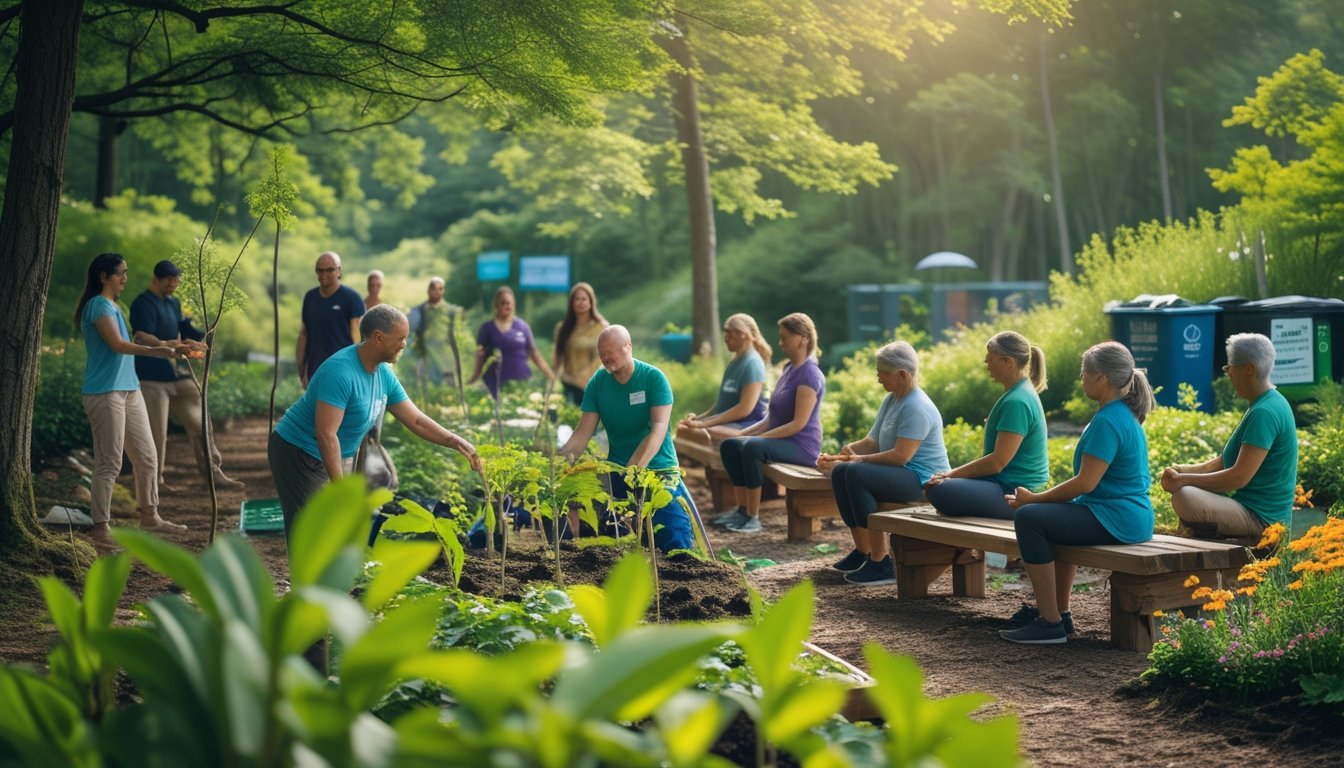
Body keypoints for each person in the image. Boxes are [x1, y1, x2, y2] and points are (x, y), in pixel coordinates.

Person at [269, 304, 481, 539]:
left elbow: (417, 420)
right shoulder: (340, 372)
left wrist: (456, 441)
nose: (404, 344)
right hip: (297, 451)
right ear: (379, 338)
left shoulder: (383, 374)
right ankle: (310, 576)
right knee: (313, 529)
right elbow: (326, 434)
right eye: (401, 338)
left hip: (327, 452)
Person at [1000, 341, 1154, 645]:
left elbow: (1085, 483)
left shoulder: (1109, 420)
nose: (1081, 378)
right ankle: (1061, 614)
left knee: (1030, 518)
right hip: (1124, 516)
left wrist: (1033, 500)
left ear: (1102, 379)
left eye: (1085, 373)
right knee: (1051, 519)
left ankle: (1050, 622)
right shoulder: (1120, 414)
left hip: (1117, 519)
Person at [75, 253, 189, 549]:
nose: (125, 277)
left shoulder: (114, 306)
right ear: (104, 276)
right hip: (104, 392)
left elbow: (134, 341)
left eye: (126, 272)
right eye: (120, 273)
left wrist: (171, 345)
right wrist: (158, 351)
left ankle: (150, 516)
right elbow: (118, 345)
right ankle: (101, 528)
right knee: (110, 462)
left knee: (147, 457)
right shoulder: (98, 306)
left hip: (130, 389)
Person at [819, 341, 950, 585]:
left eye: (883, 372)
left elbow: (902, 456)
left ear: (902, 374)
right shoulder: (892, 399)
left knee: (856, 473)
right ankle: (864, 551)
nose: (878, 377)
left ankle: (880, 563)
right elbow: (873, 440)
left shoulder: (917, 406)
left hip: (923, 480)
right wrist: (846, 453)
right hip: (900, 473)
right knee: (841, 473)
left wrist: (857, 460)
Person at [559, 325, 695, 552]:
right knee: (610, 531)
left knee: (673, 536)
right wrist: (560, 462)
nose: (605, 358)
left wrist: (633, 471)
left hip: (658, 469)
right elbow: (582, 433)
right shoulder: (598, 383)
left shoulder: (653, 379)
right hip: (617, 470)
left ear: (628, 347)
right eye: (601, 354)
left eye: (610, 352)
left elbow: (658, 430)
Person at [1161, 333, 1297, 539]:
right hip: (1247, 509)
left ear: (1249, 369)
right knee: (1186, 492)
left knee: (1185, 497)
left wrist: (1183, 481)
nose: (1229, 374)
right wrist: (1182, 471)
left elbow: (1238, 477)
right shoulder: (1264, 404)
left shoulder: (1265, 412)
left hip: (1263, 520)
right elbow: (1224, 463)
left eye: (1230, 368)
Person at [129, 259, 244, 491]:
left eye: (176, 279)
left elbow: (183, 327)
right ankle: (154, 482)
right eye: (169, 279)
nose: (174, 283)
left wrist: (204, 336)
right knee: (157, 433)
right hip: (151, 376)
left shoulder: (173, 303)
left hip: (178, 374)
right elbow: (141, 336)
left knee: (201, 423)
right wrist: (167, 343)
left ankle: (213, 473)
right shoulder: (143, 303)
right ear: (156, 279)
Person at [716, 312, 826, 533]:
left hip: (801, 446)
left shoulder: (810, 375)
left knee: (752, 447)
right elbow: (771, 418)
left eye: (785, 337)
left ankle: (752, 517)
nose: (780, 342)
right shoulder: (788, 369)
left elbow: (798, 425)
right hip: (782, 440)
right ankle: (741, 509)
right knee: (730, 444)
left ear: (802, 339)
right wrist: (742, 434)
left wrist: (756, 438)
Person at [925, 331, 1049, 520]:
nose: (986, 362)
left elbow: (997, 462)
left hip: (1015, 492)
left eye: (990, 358)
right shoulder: (1019, 393)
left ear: (1008, 362)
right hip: (1002, 484)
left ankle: (966, 550)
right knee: (939, 486)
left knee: (940, 490)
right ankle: (965, 551)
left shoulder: (1017, 401)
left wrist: (951, 474)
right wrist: (954, 476)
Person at [676, 312, 770, 448]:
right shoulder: (735, 362)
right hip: (726, 424)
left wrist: (704, 424)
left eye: (728, 333)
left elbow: (745, 409)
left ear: (742, 334)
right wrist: (699, 419)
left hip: (747, 426)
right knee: (685, 428)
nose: (725, 338)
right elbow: (721, 405)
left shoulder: (753, 364)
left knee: (698, 434)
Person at [467, 286, 554, 398]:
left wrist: (549, 374)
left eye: (508, 303)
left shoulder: (523, 327)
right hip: (494, 383)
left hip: (521, 382)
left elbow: (534, 353)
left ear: (513, 305)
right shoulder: (486, 328)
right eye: (502, 303)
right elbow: (480, 355)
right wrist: (475, 376)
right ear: (496, 305)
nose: (506, 306)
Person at [297, 251, 364, 388]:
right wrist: (301, 367)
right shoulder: (310, 297)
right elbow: (304, 334)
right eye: (320, 270)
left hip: (344, 369)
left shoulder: (351, 298)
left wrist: (360, 369)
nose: (324, 274)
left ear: (339, 271)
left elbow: (356, 335)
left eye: (330, 270)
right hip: (316, 369)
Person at [551, 282, 609, 405]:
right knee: (569, 421)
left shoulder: (602, 328)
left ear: (591, 302)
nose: (580, 302)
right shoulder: (562, 328)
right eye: (577, 299)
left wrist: (583, 377)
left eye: (584, 299)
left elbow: (603, 358)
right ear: (571, 303)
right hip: (568, 385)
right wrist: (557, 379)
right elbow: (558, 357)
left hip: (593, 385)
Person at [407, 276, 465, 388]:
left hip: (446, 357)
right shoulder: (419, 310)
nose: (437, 292)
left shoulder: (451, 311)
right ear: (428, 290)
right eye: (434, 288)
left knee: (450, 387)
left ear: (443, 291)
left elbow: (457, 336)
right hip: (426, 356)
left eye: (440, 289)